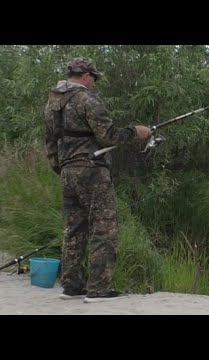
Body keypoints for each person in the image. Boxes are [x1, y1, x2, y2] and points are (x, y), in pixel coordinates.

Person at [43, 57, 152, 303]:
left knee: (73, 230)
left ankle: (71, 287)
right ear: (85, 75)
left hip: (67, 173)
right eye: (94, 77)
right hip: (92, 171)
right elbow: (107, 136)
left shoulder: (52, 103)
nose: (94, 82)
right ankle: (99, 290)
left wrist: (61, 168)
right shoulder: (86, 99)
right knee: (103, 229)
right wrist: (137, 132)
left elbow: (50, 142)